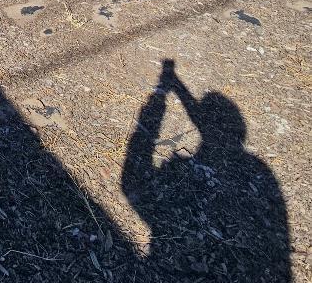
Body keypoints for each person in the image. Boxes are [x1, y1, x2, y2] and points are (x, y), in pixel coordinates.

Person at [122, 58, 291, 282]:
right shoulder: (258, 169)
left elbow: (130, 183)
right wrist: (173, 86)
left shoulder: (255, 168)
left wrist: (159, 100)